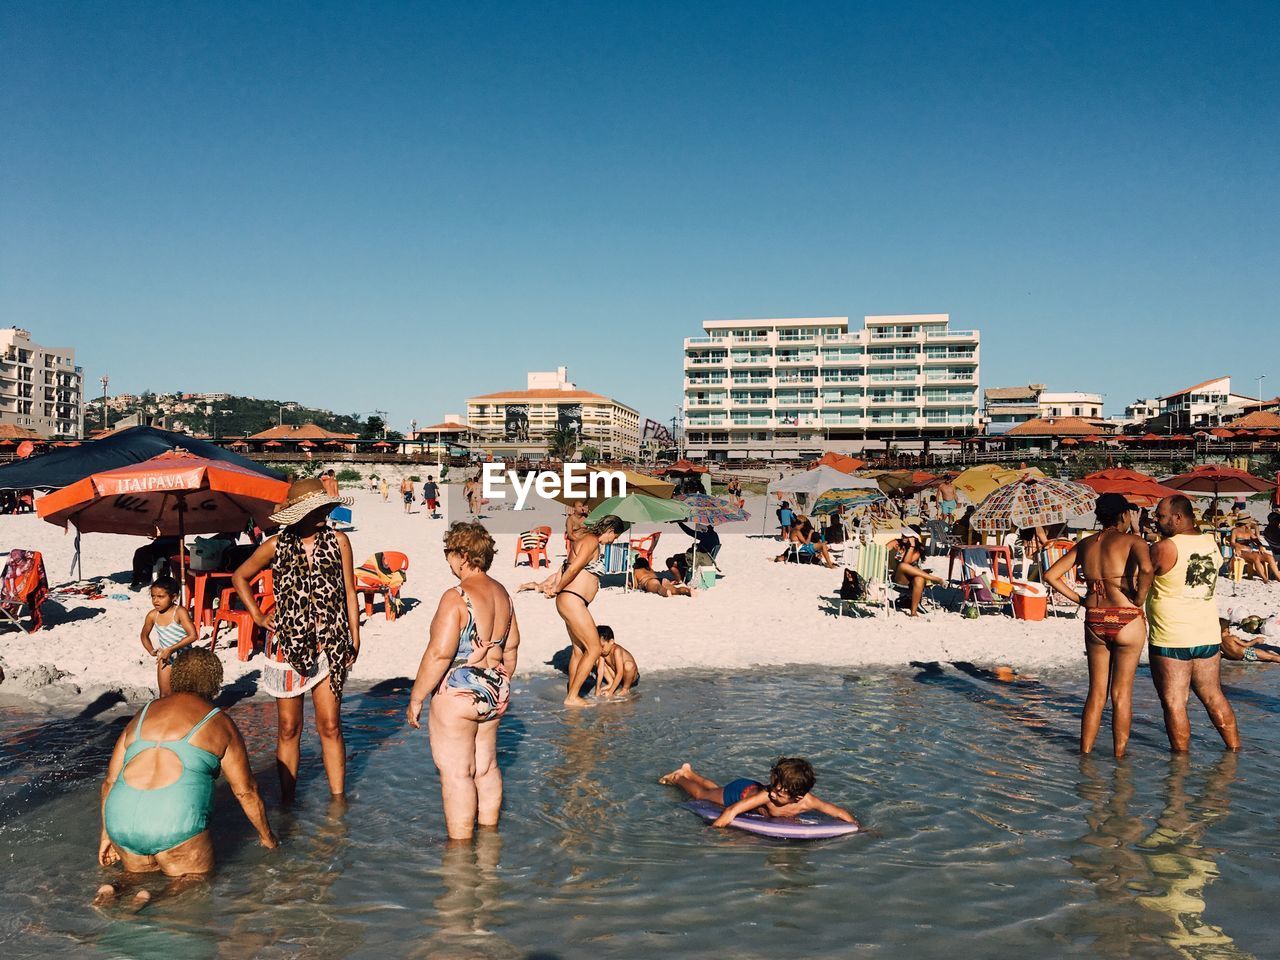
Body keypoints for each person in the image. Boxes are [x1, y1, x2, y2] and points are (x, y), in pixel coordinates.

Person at [96, 649, 276, 903]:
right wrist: (268, 838)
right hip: (173, 822)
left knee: (134, 876)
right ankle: (155, 899)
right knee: (195, 879)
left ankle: (114, 888)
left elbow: (109, 783)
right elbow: (245, 791)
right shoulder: (220, 722)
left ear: (177, 677)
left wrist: (106, 834)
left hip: (122, 820)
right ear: (214, 682)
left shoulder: (143, 714)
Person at [233, 478, 361, 803]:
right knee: (289, 728)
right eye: (313, 508)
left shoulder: (339, 541)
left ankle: (338, 805)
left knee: (330, 725)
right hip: (285, 648)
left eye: (321, 507)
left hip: (330, 643)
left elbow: (349, 591)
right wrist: (259, 617)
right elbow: (240, 577)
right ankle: (287, 805)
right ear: (297, 514)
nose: (320, 513)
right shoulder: (275, 545)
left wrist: (354, 638)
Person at [407, 522, 520, 841]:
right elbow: (511, 647)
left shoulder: (456, 597)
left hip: (458, 691)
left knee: (457, 774)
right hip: (495, 689)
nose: (448, 560)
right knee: (485, 767)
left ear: (462, 555)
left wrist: (417, 696)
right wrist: (499, 680)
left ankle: (459, 856)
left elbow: (440, 654)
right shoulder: (503, 594)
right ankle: (489, 841)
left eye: (449, 553)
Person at [1044, 493, 1154, 757]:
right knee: (1121, 693)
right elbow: (1148, 570)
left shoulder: (1085, 544)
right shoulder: (1133, 541)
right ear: (1124, 516)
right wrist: (1139, 598)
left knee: (1096, 692)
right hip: (1126, 617)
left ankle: (1085, 754)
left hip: (1095, 617)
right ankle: (1120, 758)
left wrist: (1081, 600)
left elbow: (1051, 575)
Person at [1146, 495, 1239, 753]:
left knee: (1175, 701)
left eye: (1161, 515)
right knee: (1213, 696)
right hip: (1207, 632)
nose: (1156, 519)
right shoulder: (1210, 542)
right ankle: (1234, 752)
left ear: (1178, 517)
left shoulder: (1165, 547)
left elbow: (1139, 586)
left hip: (1172, 634)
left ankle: (1180, 768)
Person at [554, 515, 628, 706]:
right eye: (615, 536)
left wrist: (554, 584)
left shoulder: (588, 540)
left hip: (573, 600)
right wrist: (557, 587)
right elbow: (573, 569)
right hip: (573, 599)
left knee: (579, 650)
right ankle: (572, 697)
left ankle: (573, 692)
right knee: (594, 648)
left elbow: (566, 566)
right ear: (610, 530)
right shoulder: (591, 541)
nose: (614, 541)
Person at [659, 757, 857, 829]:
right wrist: (714, 831)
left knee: (713, 790)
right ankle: (679, 779)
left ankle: (689, 772)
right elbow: (732, 811)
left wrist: (858, 828)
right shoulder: (767, 795)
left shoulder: (808, 801)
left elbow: (838, 812)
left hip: (748, 789)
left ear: (797, 797)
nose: (773, 794)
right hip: (741, 791)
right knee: (704, 795)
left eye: (780, 794)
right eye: (774, 787)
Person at [139, 576, 198, 696]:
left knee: (187, 695)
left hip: (185, 658)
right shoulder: (152, 615)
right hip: (166, 658)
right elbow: (144, 635)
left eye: (161, 597)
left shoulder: (179, 612)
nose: (156, 601)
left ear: (174, 597)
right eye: (153, 596)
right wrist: (151, 650)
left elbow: (193, 635)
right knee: (164, 695)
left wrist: (171, 649)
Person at [517, 501, 590, 595]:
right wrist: (579, 541)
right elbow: (570, 534)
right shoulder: (570, 520)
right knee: (567, 573)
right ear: (574, 509)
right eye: (579, 506)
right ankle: (534, 586)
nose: (582, 508)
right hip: (575, 546)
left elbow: (593, 529)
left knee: (571, 573)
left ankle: (536, 586)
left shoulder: (587, 518)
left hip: (584, 547)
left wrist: (589, 516)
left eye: (582, 506)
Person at [886, 528, 944, 617]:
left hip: (912, 578)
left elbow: (908, 561)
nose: (903, 537)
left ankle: (914, 612)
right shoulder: (897, 543)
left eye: (907, 536)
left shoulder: (919, 548)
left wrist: (912, 547)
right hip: (899, 577)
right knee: (902, 566)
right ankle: (934, 579)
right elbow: (884, 549)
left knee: (919, 579)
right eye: (903, 535)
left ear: (914, 538)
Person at [1230, 518, 1279, 584]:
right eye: (1250, 522)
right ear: (1245, 523)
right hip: (1241, 552)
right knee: (1256, 558)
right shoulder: (1235, 531)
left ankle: (1278, 577)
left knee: (1269, 557)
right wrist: (1239, 546)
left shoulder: (1249, 531)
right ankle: (1264, 578)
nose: (1251, 523)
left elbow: (1256, 540)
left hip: (1250, 551)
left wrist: (1260, 546)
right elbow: (1232, 542)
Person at [594, 625, 639, 696]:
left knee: (628, 665)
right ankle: (611, 682)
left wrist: (610, 692)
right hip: (618, 677)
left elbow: (620, 672)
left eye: (602, 646)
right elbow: (600, 670)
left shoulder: (616, 650)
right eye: (599, 646)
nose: (601, 649)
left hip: (630, 678)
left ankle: (625, 689)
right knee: (597, 661)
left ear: (611, 641)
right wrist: (598, 688)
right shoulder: (604, 652)